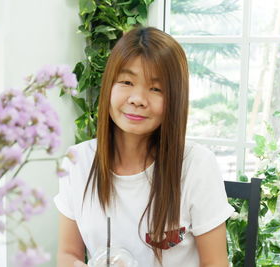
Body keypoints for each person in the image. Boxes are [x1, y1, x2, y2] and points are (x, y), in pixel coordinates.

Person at [54, 26, 234, 267]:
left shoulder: (196, 166)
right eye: (126, 82)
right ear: (109, 86)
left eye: (156, 88)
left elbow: (215, 263)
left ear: (175, 99)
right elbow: (68, 254)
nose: (137, 99)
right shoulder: (77, 161)